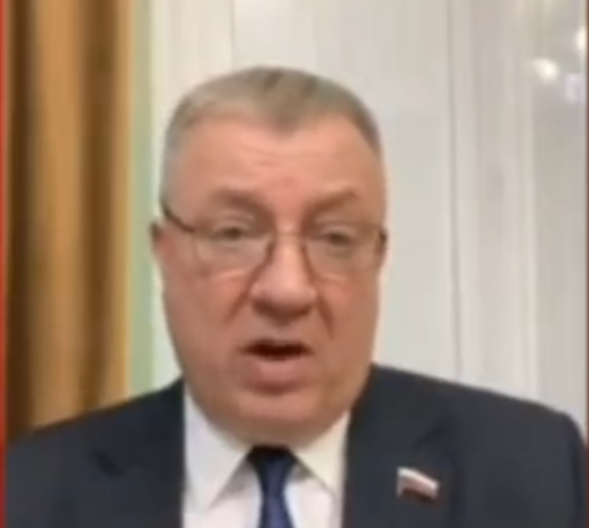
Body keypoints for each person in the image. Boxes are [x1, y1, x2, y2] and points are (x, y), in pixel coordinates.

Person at [7, 65, 586, 528]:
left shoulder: (535, 477)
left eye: (335, 239)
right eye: (233, 234)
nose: (287, 290)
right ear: (164, 253)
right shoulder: (30, 495)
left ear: (378, 259)